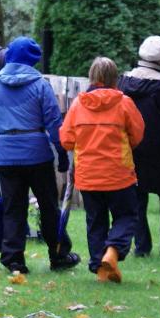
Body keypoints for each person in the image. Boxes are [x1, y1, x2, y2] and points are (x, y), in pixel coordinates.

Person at [0, 37, 80, 274]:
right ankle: (58, 253)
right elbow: (53, 121)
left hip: (7, 154)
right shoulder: (40, 85)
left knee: (12, 207)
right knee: (48, 206)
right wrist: (61, 153)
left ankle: (13, 258)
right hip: (36, 154)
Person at [61, 57, 145, 282]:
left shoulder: (79, 105)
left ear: (92, 77)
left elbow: (66, 139)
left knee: (95, 221)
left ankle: (100, 268)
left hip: (88, 176)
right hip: (119, 174)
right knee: (127, 216)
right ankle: (113, 252)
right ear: (114, 78)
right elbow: (137, 135)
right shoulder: (124, 102)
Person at [116, 37, 160, 257]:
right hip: (159, 147)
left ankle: (142, 246)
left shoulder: (124, 82)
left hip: (132, 147)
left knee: (138, 196)